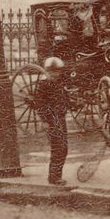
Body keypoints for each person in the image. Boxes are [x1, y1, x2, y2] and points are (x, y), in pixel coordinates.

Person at [35, 56, 70, 185]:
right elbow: (40, 104)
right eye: (55, 71)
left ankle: (56, 175)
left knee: (63, 147)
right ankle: (54, 177)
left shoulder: (57, 82)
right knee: (58, 147)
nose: (57, 74)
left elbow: (64, 98)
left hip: (60, 117)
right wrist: (45, 120)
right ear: (48, 71)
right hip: (52, 119)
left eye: (58, 71)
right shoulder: (44, 84)